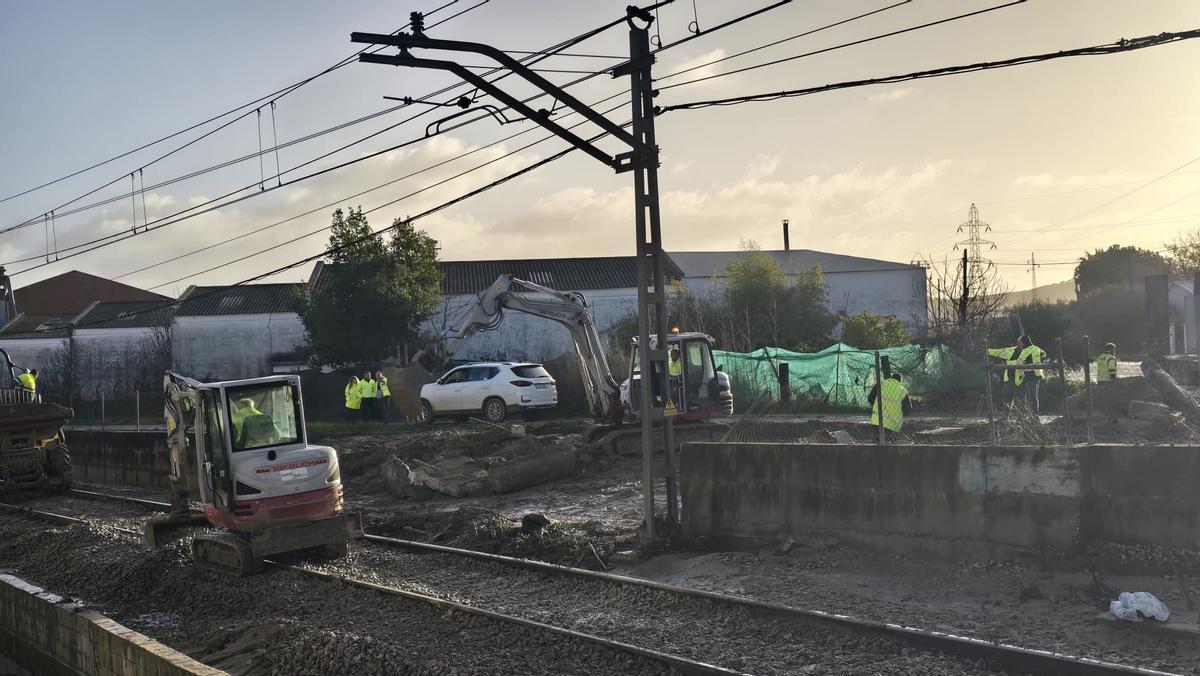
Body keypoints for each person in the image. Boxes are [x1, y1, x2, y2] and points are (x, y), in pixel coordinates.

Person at [868, 372, 911, 443]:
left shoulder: (880, 384)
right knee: (888, 441)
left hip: (877, 418)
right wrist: (901, 413)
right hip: (892, 422)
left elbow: (870, 398)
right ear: (900, 381)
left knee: (876, 440)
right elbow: (907, 408)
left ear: (891, 378)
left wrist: (876, 404)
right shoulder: (903, 391)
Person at [1015, 335, 1047, 415]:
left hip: (1029, 373)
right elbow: (1044, 355)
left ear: (1024, 342)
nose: (1018, 345)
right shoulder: (1036, 348)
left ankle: (1029, 413)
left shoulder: (1025, 350)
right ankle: (1035, 412)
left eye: (1019, 343)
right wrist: (1038, 361)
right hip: (1037, 373)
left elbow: (1018, 362)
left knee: (1026, 394)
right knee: (1034, 395)